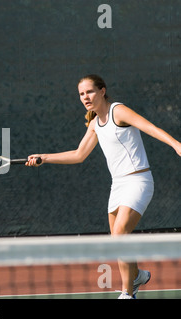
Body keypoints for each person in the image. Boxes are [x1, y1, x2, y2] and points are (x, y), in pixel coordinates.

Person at [26, 74, 181, 299]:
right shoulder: (94, 123)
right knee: (118, 239)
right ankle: (136, 276)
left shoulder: (118, 111)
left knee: (119, 234)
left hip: (138, 181)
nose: (85, 97)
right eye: (81, 94)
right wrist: (45, 157)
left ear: (102, 91)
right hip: (117, 185)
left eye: (89, 91)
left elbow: (149, 127)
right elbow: (79, 155)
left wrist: (176, 144)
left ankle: (127, 293)